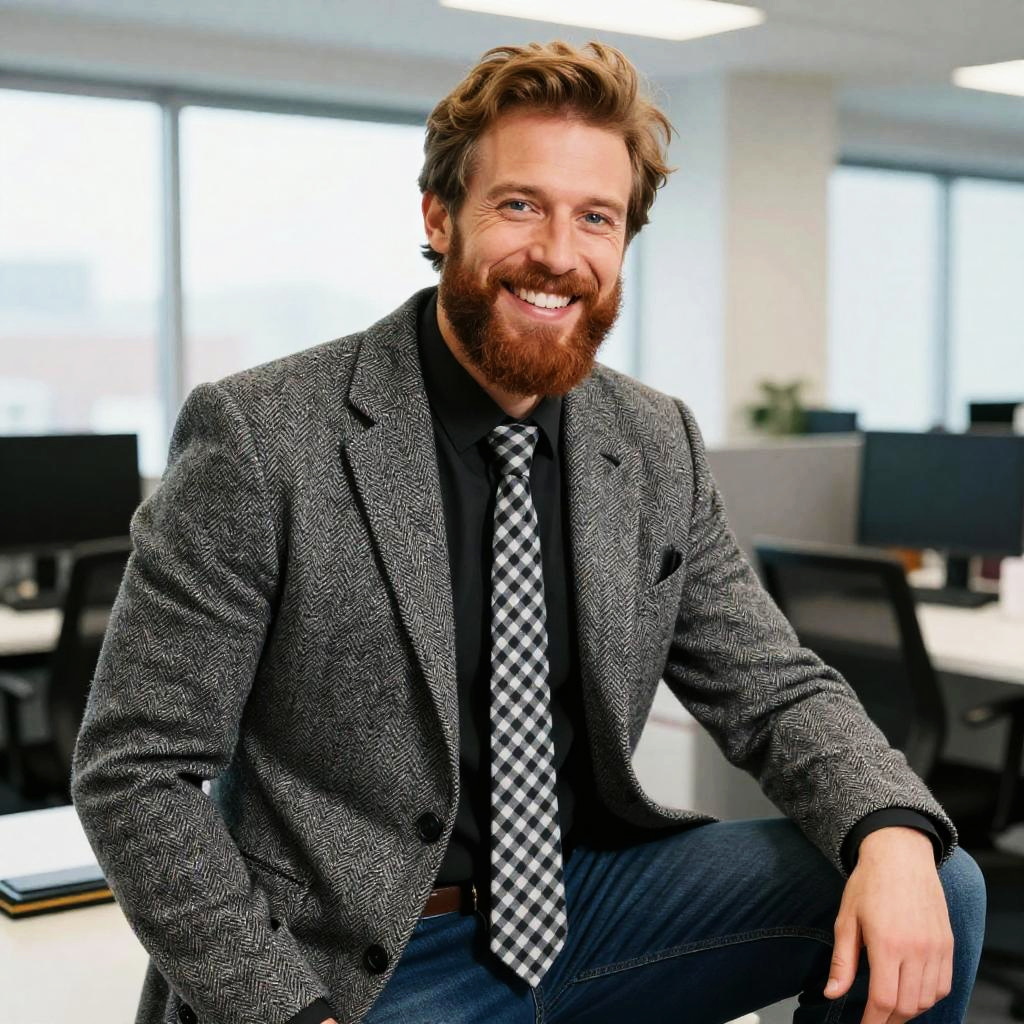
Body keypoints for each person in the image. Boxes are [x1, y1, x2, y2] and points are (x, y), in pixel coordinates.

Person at [71, 41, 985, 1024]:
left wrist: (888, 830)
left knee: (939, 879)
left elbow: (771, 683)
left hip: (586, 909)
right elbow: (136, 771)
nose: (557, 252)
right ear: (438, 216)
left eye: (594, 217)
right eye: (519, 205)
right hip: (361, 961)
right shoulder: (265, 436)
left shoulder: (650, 440)